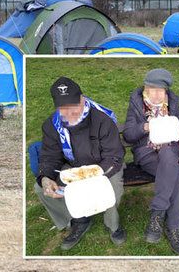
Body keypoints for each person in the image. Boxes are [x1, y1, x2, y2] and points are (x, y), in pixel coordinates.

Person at [35, 76, 125, 250]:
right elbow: (50, 156)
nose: (69, 115)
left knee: (113, 187)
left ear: (82, 100)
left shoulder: (102, 119)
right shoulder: (52, 125)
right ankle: (79, 220)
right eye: (63, 109)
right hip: (72, 167)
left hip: (104, 166)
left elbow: (114, 156)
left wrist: (91, 176)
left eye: (73, 108)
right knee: (40, 188)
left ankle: (112, 224)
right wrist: (45, 177)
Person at [122, 68, 179, 255]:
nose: (158, 95)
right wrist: (145, 126)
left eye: (162, 91)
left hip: (169, 150)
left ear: (166, 91)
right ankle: (173, 228)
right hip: (147, 152)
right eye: (154, 90)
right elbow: (128, 134)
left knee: (168, 155)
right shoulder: (136, 104)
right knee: (173, 173)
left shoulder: (172, 104)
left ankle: (157, 215)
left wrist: (174, 128)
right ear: (146, 88)